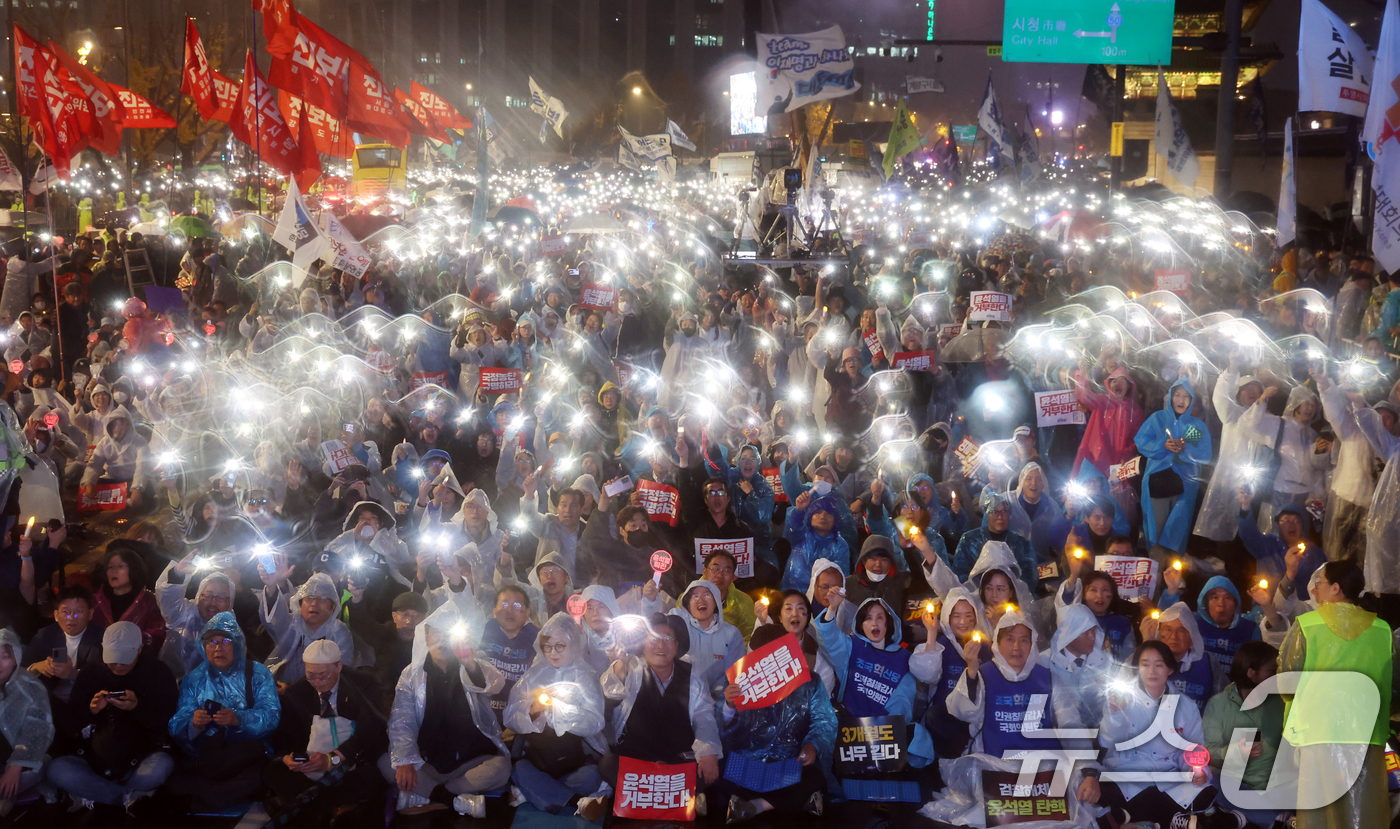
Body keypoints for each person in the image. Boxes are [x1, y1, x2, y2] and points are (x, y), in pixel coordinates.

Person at [1279, 560, 1392, 829]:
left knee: (1320, 813)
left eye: (1319, 585)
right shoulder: (1383, 630)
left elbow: (1287, 681)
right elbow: (1395, 686)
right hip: (1368, 734)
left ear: (1336, 588)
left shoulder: (1307, 625)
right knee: (1364, 811)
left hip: (1318, 733)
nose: (1316, 591)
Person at [380, 603, 510, 817]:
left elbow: (495, 684)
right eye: (436, 634)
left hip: (471, 759)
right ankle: (455, 800)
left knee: (501, 768)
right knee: (388, 762)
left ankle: (432, 797)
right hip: (428, 761)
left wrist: (469, 662)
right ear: (427, 638)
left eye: (446, 635)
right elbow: (402, 720)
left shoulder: (473, 664)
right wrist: (405, 761)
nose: (441, 640)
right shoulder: (412, 674)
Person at [1088, 641, 1233, 828]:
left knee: (1204, 791)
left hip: (1167, 775)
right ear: (1137, 668)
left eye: (1159, 665)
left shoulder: (1185, 706)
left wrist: (1196, 771)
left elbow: (1192, 749)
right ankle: (1177, 819)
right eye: (1145, 664)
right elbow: (1108, 741)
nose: (1152, 671)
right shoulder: (1123, 698)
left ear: (1170, 669)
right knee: (1103, 791)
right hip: (1127, 773)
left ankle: (1133, 817)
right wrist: (1115, 713)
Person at [47, 621, 178, 813]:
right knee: (57, 769)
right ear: (103, 648)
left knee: (161, 767)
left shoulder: (158, 673)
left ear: (140, 649)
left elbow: (170, 724)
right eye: (113, 658)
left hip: (140, 759)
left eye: (125, 659)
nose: (118, 664)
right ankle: (129, 798)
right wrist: (91, 711)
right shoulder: (92, 673)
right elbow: (69, 725)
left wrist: (138, 707)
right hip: (94, 762)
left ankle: (96, 795)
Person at [715, 623, 836, 822]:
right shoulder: (739, 681)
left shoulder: (810, 681)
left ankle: (756, 805)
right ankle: (798, 802)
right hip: (748, 761)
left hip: (790, 762)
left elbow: (824, 720)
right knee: (719, 771)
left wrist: (812, 745)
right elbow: (721, 727)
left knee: (815, 776)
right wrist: (728, 705)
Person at [165, 611, 281, 812]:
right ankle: (215, 792)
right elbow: (177, 722)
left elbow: (271, 715)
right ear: (204, 646)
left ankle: (209, 793)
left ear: (236, 643)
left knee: (262, 774)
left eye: (225, 640)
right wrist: (194, 723)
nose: (218, 647)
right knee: (175, 779)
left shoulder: (257, 674)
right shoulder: (194, 679)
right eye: (212, 641)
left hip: (247, 754)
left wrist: (239, 719)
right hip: (209, 756)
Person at [264, 640, 387, 827]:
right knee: (274, 771)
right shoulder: (298, 692)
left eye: (323, 675)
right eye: (311, 676)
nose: (317, 682)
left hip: (349, 761)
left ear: (338, 666)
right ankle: (330, 809)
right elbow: (287, 736)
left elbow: (368, 732)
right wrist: (289, 758)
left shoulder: (364, 685)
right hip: (311, 764)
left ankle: (299, 804)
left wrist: (331, 759)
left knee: (369, 778)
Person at [598, 613, 722, 799]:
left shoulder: (692, 675)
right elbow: (611, 689)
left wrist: (708, 752)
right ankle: (681, 796)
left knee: (711, 767)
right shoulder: (630, 668)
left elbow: (703, 716)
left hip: (677, 757)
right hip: (636, 756)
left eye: (668, 638)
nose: (660, 645)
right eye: (653, 638)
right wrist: (622, 659)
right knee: (608, 765)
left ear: (677, 645)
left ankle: (645, 793)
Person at [503, 613, 609, 819]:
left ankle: (535, 794)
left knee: (592, 776)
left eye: (560, 645)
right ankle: (575, 801)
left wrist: (559, 709)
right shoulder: (533, 675)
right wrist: (531, 710)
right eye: (548, 647)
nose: (553, 652)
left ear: (573, 644)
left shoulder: (585, 676)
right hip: (538, 757)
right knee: (519, 769)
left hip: (574, 759)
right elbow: (510, 716)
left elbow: (595, 722)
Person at [1202, 640, 1283, 827]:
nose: (1279, 677)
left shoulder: (1281, 704)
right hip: (1232, 783)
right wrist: (1232, 752)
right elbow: (1207, 751)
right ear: (1251, 674)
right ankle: (1271, 818)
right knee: (1208, 779)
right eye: (1272, 671)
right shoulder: (1219, 704)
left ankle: (1244, 815)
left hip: (1271, 786)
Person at [1135, 377, 1213, 557]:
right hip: (1157, 484)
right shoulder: (1158, 418)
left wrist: (1185, 450)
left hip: (1184, 487)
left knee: (1177, 531)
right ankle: (1154, 576)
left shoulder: (1195, 425)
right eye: (1177, 395)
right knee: (1156, 530)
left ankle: (1172, 578)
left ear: (1192, 400)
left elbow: (1205, 455)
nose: (1181, 400)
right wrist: (1163, 445)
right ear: (1170, 397)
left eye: (1186, 396)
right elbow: (1141, 442)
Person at [22, 584, 103, 745]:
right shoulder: (45, 635)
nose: (71, 618)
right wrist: (38, 667)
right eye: (65, 612)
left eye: (78, 612)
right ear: (56, 615)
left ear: (90, 614)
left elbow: (106, 679)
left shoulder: (101, 638)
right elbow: (20, 671)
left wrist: (74, 674)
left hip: (85, 705)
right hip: (50, 703)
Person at [910, 587, 985, 760]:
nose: (963, 622)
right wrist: (931, 633)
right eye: (956, 616)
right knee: (934, 716)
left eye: (968, 615)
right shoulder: (940, 644)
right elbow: (926, 673)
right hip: (945, 720)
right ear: (948, 618)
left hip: (975, 721)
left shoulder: (985, 647)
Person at [815, 596, 916, 719]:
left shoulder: (903, 658)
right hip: (849, 723)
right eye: (868, 618)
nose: (874, 623)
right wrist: (832, 609)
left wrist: (889, 727)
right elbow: (830, 640)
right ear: (861, 624)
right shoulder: (851, 647)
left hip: (885, 730)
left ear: (888, 623)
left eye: (880, 617)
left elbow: (903, 703)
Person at [258, 569, 356, 685]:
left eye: (323, 599)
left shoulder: (339, 632)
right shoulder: (292, 624)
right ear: (300, 604)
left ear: (333, 607)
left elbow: (339, 673)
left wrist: (292, 691)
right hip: (279, 690)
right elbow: (273, 619)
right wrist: (272, 586)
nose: (314, 603)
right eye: (309, 598)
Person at [0, 627, 53, 816]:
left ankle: (9, 794)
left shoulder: (30, 686)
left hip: (21, 761)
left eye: (4, 657)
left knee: (29, 774)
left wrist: (15, 767)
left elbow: (38, 731)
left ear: (16, 656)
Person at [1139, 601, 1224, 714]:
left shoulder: (1209, 663)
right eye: (1168, 630)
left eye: (1181, 631)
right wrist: (1146, 645)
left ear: (1191, 635)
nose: (1174, 637)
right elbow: (1127, 682)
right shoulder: (1144, 657)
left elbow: (1221, 704)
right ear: (1159, 632)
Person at [154, 560, 235, 677]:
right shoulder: (184, 614)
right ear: (198, 596)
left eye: (221, 598)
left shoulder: (231, 624)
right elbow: (169, 601)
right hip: (171, 686)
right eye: (207, 595)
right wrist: (176, 575)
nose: (213, 602)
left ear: (230, 602)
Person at [670, 579, 745, 694]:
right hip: (680, 699)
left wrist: (715, 698)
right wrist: (650, 602)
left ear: (716, 602)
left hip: (716, 703)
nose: (701, 600)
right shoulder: (678, 626)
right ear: (688, 605)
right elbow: (653, 627)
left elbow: (734, 675)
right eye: (695, 597)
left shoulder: (731, 634)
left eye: (707, 595)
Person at [89, 545, 167, 656]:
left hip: (137, 662)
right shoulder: (95, 601)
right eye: (110, 567)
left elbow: (159, 633)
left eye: (120, 566)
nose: (114, 571)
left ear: (133, 569)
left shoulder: (149, 601)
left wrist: (135, 639)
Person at [478, 584, 539, 722]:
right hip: (482, 714)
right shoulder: (482, 633)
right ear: (494, 611)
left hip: (523, 717)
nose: (510, 611)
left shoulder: (537, 639)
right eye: (504, 604)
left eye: (517, 606)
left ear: (527, 612)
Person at [1194, 575, 1261, 674]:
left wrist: (1267, 607)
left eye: (1227, 597)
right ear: (1205, 603)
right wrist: (1171, 592)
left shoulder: (1250, 629)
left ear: (1235, 603)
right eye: (1215, 597)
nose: (1221, 603)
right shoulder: (1193, 623)